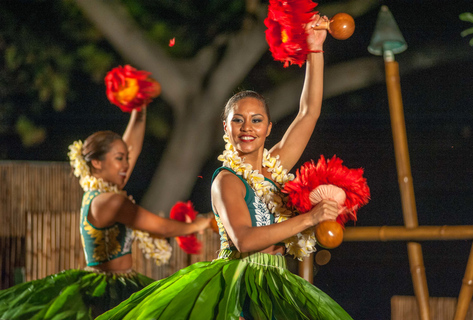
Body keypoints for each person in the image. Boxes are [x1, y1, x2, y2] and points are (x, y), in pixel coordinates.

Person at [96, 14, 353, 320]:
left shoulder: (276, 166)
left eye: (256, 120)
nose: (247, 127)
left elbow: (309, 112)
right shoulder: (227, 180)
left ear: (269, 128)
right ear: (226, 127)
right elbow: (244, 239)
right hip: (238, 286)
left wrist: (314, 49)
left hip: (278, 283)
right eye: (238, 120)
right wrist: (309, 218)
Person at [0, 107, 211, 320]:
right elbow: (162, 227)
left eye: (126, 159)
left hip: (118, 282)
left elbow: (132, 148)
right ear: (97, 163)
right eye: (120, 158)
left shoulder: (99, 192)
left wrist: (140, 110)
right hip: (108, 292)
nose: (126, 165)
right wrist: (197, 224)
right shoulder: (111, 202)